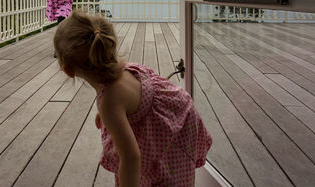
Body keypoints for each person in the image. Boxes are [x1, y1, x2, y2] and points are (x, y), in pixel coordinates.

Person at [53, 12, 212, 187]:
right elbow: (130, 99)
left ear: (68, 70)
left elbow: (130, 158)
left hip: (169, 134)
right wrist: (107, 115)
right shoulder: (127, 69)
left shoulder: (109, 101)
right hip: (180, 119)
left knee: (166, 176)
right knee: (177, 172)